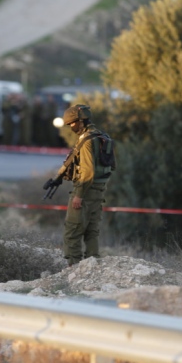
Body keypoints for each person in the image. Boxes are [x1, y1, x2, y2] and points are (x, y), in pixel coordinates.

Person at [59, 104, 112, 267]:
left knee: (72, 233)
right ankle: (92, 269)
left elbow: (88, 172)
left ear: (81, 121)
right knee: (91, 232)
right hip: (98, 191)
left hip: (85, 191)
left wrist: (79, 195)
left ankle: (74, 271)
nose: (71, 127)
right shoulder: (99, 136)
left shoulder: (87, 141)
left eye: (72, 123)